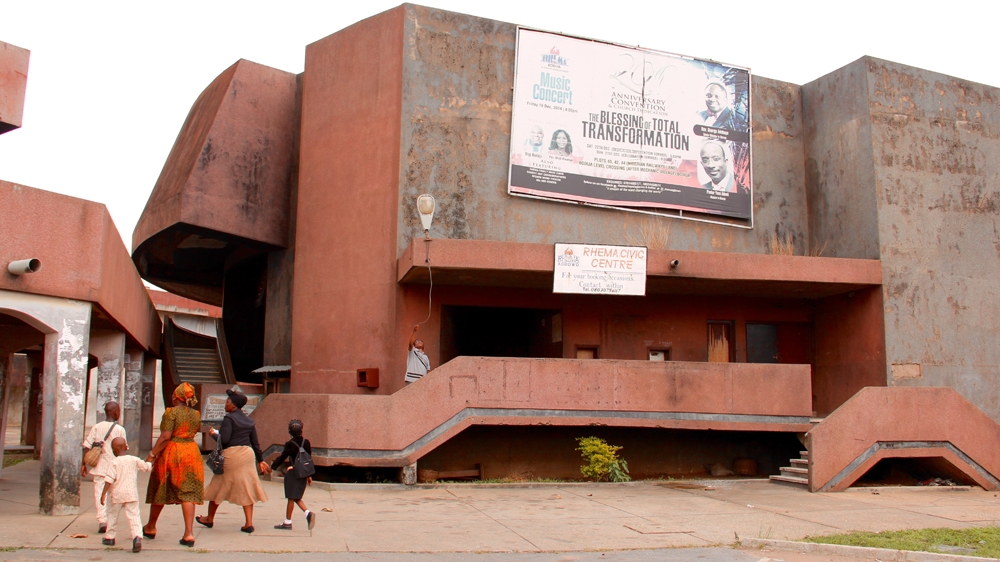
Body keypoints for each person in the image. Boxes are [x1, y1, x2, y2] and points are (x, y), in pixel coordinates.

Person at [197, 389, 270, 533]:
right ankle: (248, 523)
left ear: (234, 406)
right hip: (248, 455)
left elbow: (224, 441)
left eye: (228, 402)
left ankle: (209, 518)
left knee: (218, 485)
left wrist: (213, 434)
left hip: (232, 455)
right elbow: (255, 443)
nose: (226, 404)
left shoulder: (229, 419)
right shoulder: (249, 420)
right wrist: (261, 460)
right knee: (247, 487)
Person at [143, 382, 204, 548]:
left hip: (173, 452)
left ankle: (151, 527)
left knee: (160, 486)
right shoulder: (196, 414)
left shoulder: (171, 412)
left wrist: (152, 454)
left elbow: (165, 437)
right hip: (191, 453)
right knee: (188, 492)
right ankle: (189, 533)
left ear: (176, 397)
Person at [81, 401, 127, 534]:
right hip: (115, 469)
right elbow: (124, 449)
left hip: (100, 468)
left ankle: (102, 520)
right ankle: (111, 521)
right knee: (114, 495)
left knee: (99, 494)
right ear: (115, 413)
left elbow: (86, 446)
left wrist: (83, 464)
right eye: (118, 410)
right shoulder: (120, 430)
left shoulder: (96, 427)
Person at [100, 437, 152, 552]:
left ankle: (110, 537)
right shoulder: (134, 460)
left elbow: (109, 480)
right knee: (134, 516)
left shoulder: (114, 462)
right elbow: (146, 468)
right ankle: (137, 537)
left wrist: (103, 494)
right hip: (131, 494)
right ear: (126, 447)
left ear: (113, 450)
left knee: (112, 515)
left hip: (116, 495)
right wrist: (150, 458)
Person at [270, 419, 316, 531]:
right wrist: (308, 475)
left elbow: (282, 457)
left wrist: (271, 467)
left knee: (292, 496)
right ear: (301, 430)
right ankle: (291, 520)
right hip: (303, 473)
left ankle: (304, 514)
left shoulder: (290, 444)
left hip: (293, 473)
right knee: (294, 497)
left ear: (289, 431)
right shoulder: (307, 442)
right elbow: (308, 458)